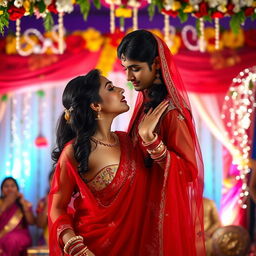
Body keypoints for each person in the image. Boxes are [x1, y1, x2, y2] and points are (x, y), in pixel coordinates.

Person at [48, 69, 169, 256]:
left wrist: (150, 138)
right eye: (110, 88)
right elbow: (57, 206)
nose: (121, 89)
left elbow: (165, 177)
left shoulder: (128, 141)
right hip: (91, 248)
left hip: (136, 246)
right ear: (96, 105)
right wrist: (73, 244)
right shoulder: (74, 152)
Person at [117, 29, 205, 255]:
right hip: (138, 212)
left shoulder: (172, 113)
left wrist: (152, 143)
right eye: (126, 69)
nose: (129, 77)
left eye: (135, 68)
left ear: (156, 64)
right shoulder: (146, 105)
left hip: (160, 219)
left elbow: (188, 172)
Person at [0, 177, 35, 256]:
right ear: (2, 190)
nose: (9, 189)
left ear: (17, 189)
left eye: (12, 186)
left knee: (12, 240)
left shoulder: (24, 203)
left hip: (19, 236)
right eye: (6, 186)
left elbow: (32, 222)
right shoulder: (1, 203)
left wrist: (23, 204)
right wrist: (5, 205)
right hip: (2, 235)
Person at [35, 170, 54, 245]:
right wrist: (48, 203)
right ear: (49, 182)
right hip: (47, 240)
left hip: (70, 239)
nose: (56, 180)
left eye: (59, 177)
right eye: (52, 178)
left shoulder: (73, 199)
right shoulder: (43, 202)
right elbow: (40, 225)